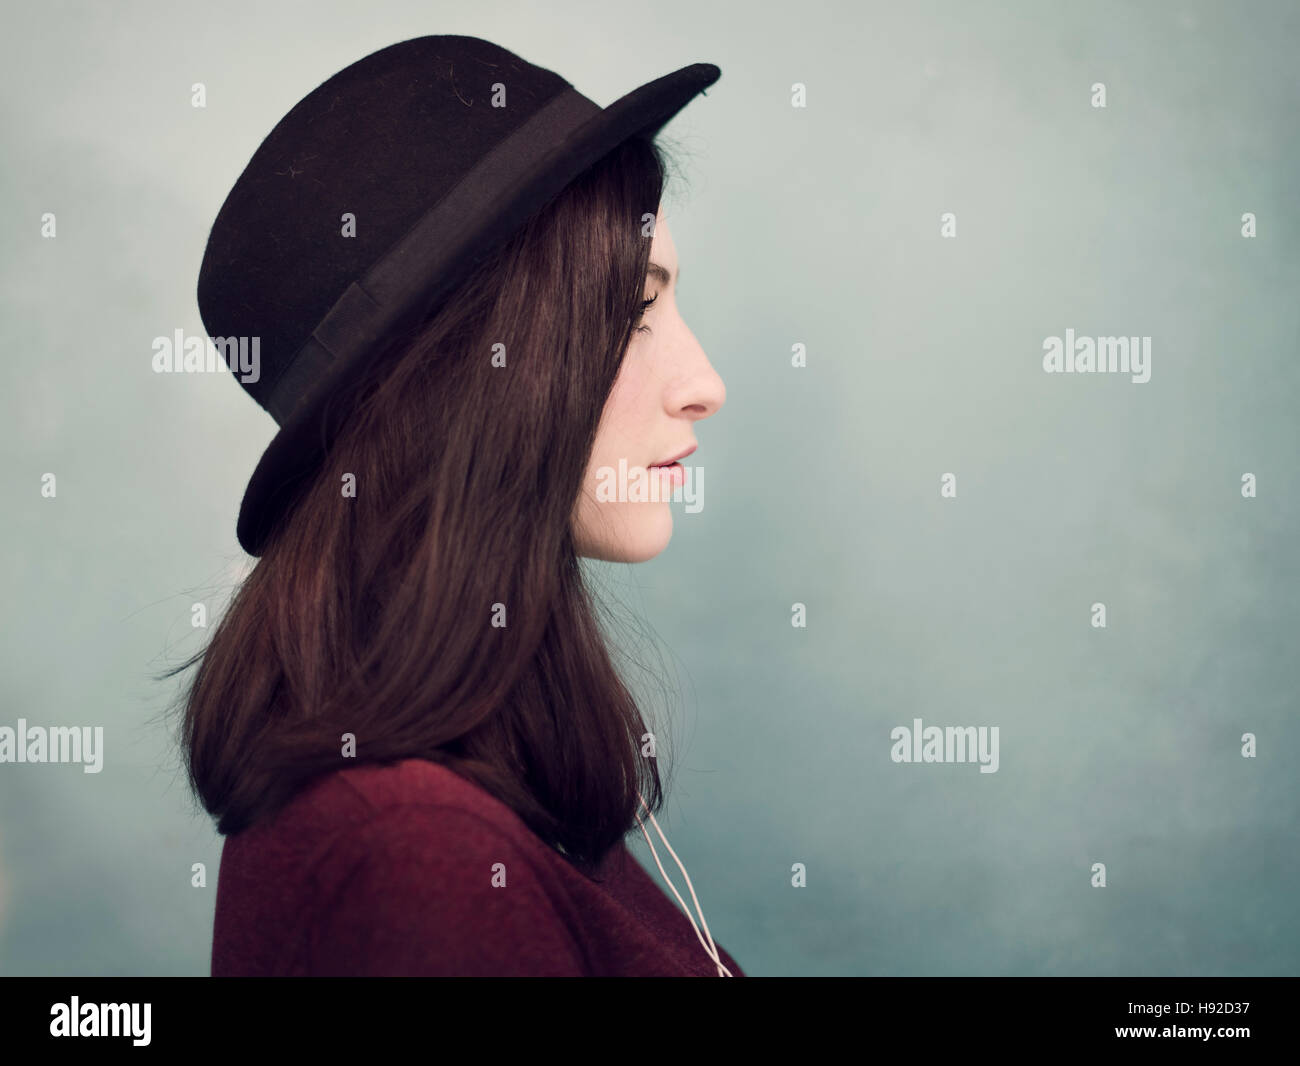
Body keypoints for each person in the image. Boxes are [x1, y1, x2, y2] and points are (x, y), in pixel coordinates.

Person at [167, 35, 742, 976]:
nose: (704, 384)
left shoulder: (489, 775)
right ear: (471, 379)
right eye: (634, 315)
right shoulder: (409, 849)